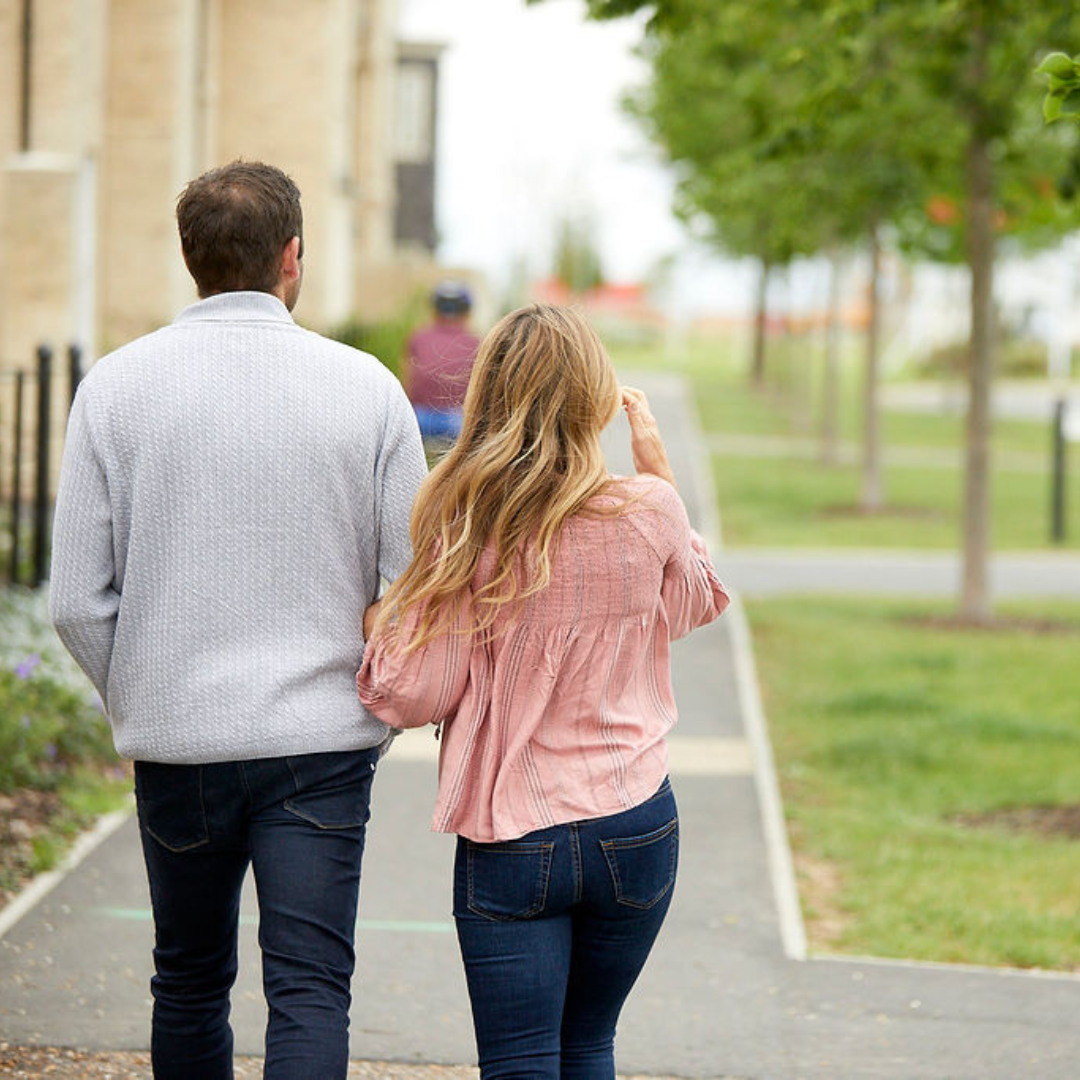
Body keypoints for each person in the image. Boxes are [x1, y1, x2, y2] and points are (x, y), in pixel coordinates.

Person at [49, 160, 427, 1079]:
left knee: (185, 980)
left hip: (180, 744)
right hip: (322, 743)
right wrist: (373, 702)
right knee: (308, 988)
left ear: (189, 258)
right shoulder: (367, 388)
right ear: (292, 257)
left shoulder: (114, 387)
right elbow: (415, 580)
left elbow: (72, 601)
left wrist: (141, 690)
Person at [356, 303, 729, 1078]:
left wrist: (380, 624)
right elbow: (693, 606)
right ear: (596, 396)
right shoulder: (648, 509)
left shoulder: (465, 518)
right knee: (590, 1044)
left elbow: (407, 695)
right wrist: (658, 471)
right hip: (637, 822)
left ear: (488, 393)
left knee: (521, 1060)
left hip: (513, 835)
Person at [403, 279, 480, 441]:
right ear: (467, 311)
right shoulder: (476, 342)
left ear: (435, 309)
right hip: (458, 418)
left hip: (420, 417)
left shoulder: (418, 337)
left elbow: (408, 378)